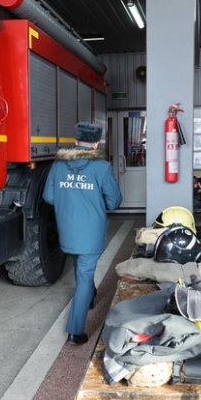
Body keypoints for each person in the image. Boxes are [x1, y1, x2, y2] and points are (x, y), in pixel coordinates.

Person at [43, 121, 123, 345]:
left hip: (67, 230)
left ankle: (88, 298)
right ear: (97, 143)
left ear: (76, 141)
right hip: (91, 231)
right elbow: (115, 201)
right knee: (85, 274)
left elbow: (49, 197)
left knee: (81, 266)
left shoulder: (58, 166)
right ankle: (75, 330)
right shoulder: (102, 168)